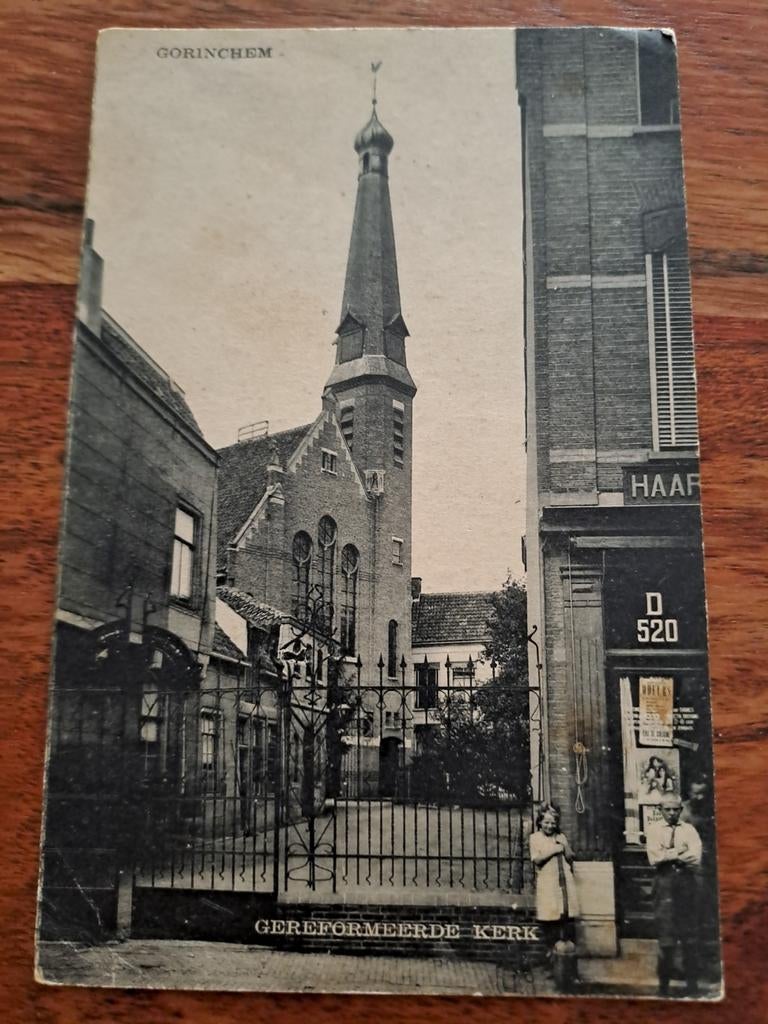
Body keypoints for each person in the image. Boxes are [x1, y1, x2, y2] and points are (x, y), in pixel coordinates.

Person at [646, 792, 702, 997]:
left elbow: (695, 857)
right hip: (664, 886)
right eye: (667, 809)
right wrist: (680, 853)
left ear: (681, 810)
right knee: (666, 939)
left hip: (687, 885)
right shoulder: (653, 830)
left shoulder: (689, 830)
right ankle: (664, 988)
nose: (671, 813)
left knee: (689, 937)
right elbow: (654, 857)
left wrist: (668, 854)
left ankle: (692, 987)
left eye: (675, 809)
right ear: (660, 810)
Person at [529, 803, 579, 954]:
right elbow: (537, 859)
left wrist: (565, 846)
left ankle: (563, 955)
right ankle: (550, 953)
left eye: (552, 823)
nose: (549, 826)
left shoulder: (561, 837)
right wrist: (554, 849)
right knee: (549, 915)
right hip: (547, 880)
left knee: (565, 914)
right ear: (540, 822)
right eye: (546, 822)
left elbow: (570, 858)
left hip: (563, 880)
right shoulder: (535, 838)